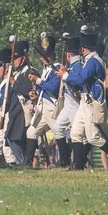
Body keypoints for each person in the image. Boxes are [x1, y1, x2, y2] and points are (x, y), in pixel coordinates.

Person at [55, 27, 108, 171]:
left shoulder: (92, 61)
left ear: (84, 48)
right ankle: (78, 166)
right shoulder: (90, 60)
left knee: (93, 138)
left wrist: (64, 76)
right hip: (85, 101)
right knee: (76, 133)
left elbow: (81, 79)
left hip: (92, 103)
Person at [25, 33, 61, 166]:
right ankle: (27, 162)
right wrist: (35, 93)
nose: (46, 58)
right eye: (44, 56)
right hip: (42, 107)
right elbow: (43, 88)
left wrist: (37, 80)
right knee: (31, 132)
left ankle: (66, 160)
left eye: (48, 55)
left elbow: (53, 87)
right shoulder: (46, 69)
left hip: (51, 107)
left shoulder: (56, 67)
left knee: (59, 133)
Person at [52, 33, 82, 167]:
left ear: (69, 55)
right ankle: (64, 160)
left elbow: (77, 82)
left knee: (80, 135)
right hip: (68, 104)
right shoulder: (73, 65)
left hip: (76, 105)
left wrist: (64, 75)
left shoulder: (78, 65)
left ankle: (80, 161)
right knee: (58, 128)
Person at [5, 39, 35, 164]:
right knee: (11, 138)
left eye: (16, 57)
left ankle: (22, 162)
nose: (14, 61)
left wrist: (14, 82)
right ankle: (21, 162)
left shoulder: (30, 72)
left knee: (16, 139)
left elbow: (29, 90)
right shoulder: (18, 73)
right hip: (14, 112)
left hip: (22, 112)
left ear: (23, 58)